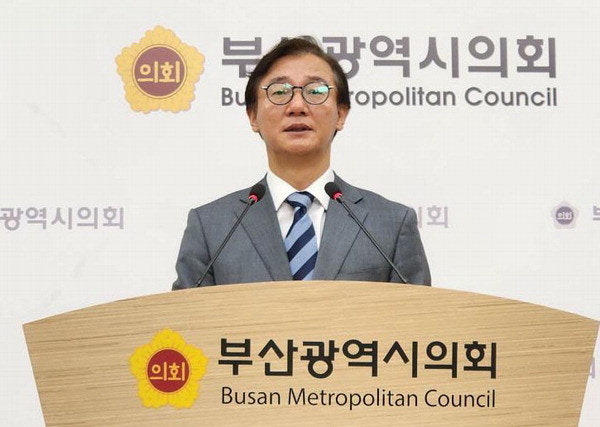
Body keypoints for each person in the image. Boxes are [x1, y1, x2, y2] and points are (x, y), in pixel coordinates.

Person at [172, 37, 430, 289]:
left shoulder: (390, 224)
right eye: (279, 92)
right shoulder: (211, 227)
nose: (297, 106)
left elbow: (420, 315)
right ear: (253, 116)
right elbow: (184, 316)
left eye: (315, 91)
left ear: (341, 114)